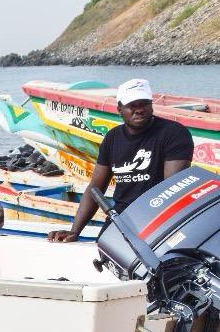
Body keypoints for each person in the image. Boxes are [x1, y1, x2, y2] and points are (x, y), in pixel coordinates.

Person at [48, 79, 193, 243]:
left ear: (151, 105)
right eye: (132, 105)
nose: (139, 110)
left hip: (158, 219)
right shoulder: (112, 138)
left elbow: (173, 190)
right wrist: (75, 231)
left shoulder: (173, 133)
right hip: (121, 218)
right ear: (119, 109)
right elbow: (96, 187)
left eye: (144, 104)